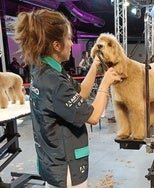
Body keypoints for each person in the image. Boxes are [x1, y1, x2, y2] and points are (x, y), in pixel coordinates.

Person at [14, 9, 122, 188]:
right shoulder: (55, 82)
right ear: (56, 45)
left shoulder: (42, 68)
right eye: (69, 39)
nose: (72, 43)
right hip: (66, 167)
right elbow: (93, 117)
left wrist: (95, 66)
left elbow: (81, 93)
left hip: (52, 161)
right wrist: (105, 84)